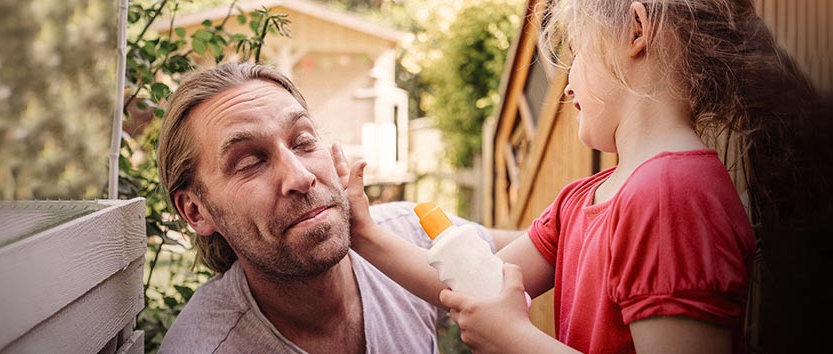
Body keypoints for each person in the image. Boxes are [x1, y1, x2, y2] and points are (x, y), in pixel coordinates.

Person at [342, 0, 819, 353]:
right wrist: (364, 235)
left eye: (575, 53)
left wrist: (514, 338)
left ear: (635, 30)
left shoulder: (673, 194)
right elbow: (473, 281)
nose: (567, 84)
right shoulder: (583, 199)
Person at [154, 63, 519, 354]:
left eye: (303, 140)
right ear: (196, 211)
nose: (300, 177)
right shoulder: (202, 346)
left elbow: (553, 247)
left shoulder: (404, 235)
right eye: (250, 162)